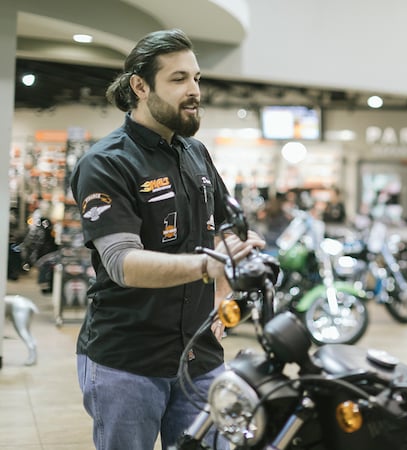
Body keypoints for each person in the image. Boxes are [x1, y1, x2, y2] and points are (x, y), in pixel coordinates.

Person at [69, 29, 264, 450]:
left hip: (200, 358)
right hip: (128, 363)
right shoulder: (105, 163)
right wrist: (207, 266)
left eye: (196, 78)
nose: (194, 91)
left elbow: (229, 225)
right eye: (178, 79)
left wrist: (226, 276)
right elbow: (122, 262)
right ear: (140, 86)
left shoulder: (196, 153)